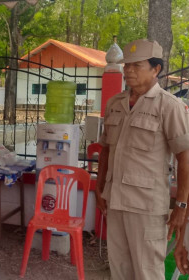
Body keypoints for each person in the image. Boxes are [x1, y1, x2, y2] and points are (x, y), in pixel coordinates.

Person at [95, 38, 189, 280]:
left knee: (147, 273)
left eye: (137, 66)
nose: (128, 71)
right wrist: (100, 186)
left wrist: (181, 206)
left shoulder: (169, 107)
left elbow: (184, 156)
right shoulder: (115, 104)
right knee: (120, 270)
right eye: (127, 65)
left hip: (146, 208)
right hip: (115, 202)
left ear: (156, 69)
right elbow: (105, 148)